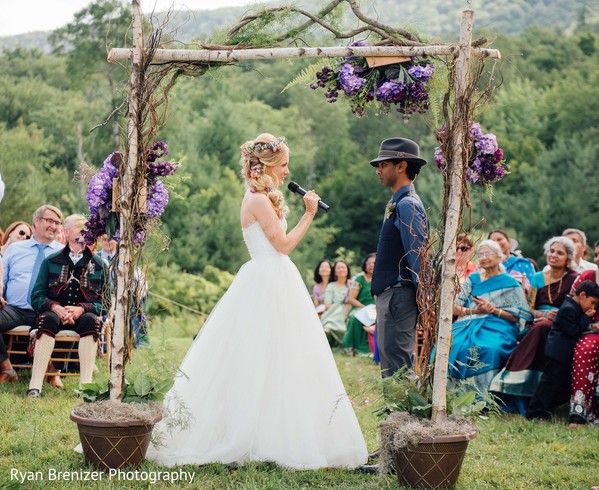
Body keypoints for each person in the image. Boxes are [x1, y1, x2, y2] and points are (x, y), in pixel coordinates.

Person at [146, 133, 367, 469]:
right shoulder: (258, 200)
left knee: (283, 356)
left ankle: (274, 430)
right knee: (260, 355)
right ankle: (249, 434)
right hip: (267, 279)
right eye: (283, 166)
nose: (286, 172)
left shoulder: (261, 196)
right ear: (267, 166)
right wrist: (309, 213)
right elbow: (284, 245)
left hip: (275, 279)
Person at [490, 236, 579, 413]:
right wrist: (542, 314)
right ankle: (515, 386)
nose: (554, 255)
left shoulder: (574, 279)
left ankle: (519, 379)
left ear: (568, 258)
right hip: (537, 323)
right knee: (541, 326)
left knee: (544, 327)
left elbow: (575, 307)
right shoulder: (538, 277)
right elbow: (529, 307)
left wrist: (557, 316)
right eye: (552, 251)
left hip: (562, 326)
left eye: (560, 253)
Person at [26, 214, 107, 397]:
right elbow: (36, 296)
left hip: (82, 317)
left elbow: (105, 303)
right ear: (67, 232)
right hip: (55, 314)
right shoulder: (51, 261)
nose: (85, 234)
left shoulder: (99, 265)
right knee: (47, 318)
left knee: (91, 320)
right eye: (80, 229)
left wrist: (82, 309)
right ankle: (35, 386)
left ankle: (85, 387)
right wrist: (55, 307)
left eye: (88, 230)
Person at [370, 137, 428, 378]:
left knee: (398, 366)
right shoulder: (398, 202)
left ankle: (405, 415)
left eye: (383, 165)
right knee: (391, 361)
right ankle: (396, 414)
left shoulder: (408, 205)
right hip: (391, 293)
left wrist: (425, 300)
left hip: (399, 293)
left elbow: (418, 256)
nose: (378, 171)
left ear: (402, 166)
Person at [448, 240, 532, 393]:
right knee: (451, 344)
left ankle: (484, 396)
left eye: (488, 253)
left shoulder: (510, 283)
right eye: (480, 254)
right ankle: (451, 393)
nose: (483, 257)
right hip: (468, 323)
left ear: (499, 257)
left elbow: (519, 316)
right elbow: (455, 307)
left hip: (499, 325)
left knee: (489, 348)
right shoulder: (473, 279)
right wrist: (474, 312)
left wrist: (493, 310)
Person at [0, 205, 64, 384]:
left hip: (47, 310)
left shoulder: (62, 253)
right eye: (49, 221)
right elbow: (2, 280)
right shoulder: (15, 249)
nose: (54, 226)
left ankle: (53, 370)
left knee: (66, 322)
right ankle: (6, 368)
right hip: (15, 309)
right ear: (36, 221)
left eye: (57, 223)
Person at [525, 280, 599, 420]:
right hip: (557, 354)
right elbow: (572, 331)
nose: (592, 306)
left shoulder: (573, 306)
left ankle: (544, 408)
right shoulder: (568, 309)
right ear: (582, 295)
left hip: (561, 354)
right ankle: (534, 412)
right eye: (592, 302)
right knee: (548, 384)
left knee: (558, 385)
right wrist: (586, 318)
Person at [568, 269, 599, 426]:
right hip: (588, 331)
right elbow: (571, 303)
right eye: (597, 254)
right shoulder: (587, 276)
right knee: (585, 349)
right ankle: (578, 414)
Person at [341, 253, 376, 356]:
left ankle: (374, 349)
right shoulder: (359, 279)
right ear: (364, 265)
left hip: (378, 308)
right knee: (355, 319)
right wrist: (365, 308)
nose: (371, 265)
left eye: (374, 263)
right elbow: (351, 299)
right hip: (361, 307)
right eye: (368, 263)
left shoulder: (381, 278)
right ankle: (353, 348)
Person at [320, 260, 352, 346]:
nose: (341, 269)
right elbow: (327, 304)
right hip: (333, 312)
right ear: (335, 272)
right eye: (338, 268)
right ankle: (327, 330)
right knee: (337, 308)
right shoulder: (331, 285)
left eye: (343, 267)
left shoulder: (352, 284)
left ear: (347, 270)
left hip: (348, 311)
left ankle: (328, 328)